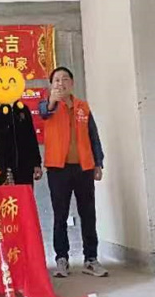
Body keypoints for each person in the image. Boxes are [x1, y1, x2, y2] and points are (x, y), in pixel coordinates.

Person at [39, 66, 107, 278]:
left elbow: (93, 136)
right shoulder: (47, 104)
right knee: (60, 215)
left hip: (84, 167)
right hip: (58, 169)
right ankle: (62, 259)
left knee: (88, 214)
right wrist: (52, 101)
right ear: (52, 85)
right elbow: (44, 112)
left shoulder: (82, 107)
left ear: (72, 83)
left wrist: (98, 163)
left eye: (65, 79)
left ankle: (90, 258)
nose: (61, 83)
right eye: (57, 80)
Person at [0, 66, 42, 185]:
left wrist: (36, 163)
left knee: (24, 195)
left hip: (25, 165)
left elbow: (31, 137)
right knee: (4, 196)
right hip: (2, 165)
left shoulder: (23, 109)